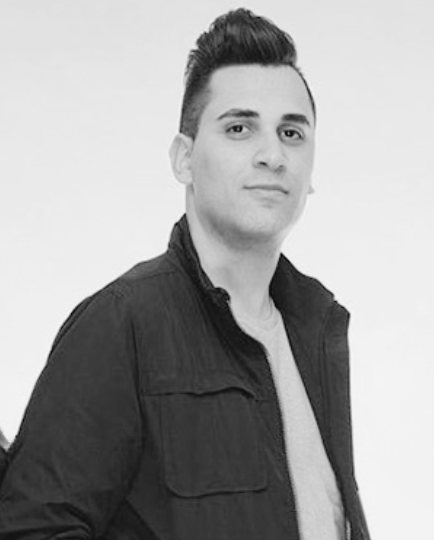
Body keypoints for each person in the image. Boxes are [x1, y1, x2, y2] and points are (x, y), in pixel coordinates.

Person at [0, 8, 370, 540]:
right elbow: (31, 528)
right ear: (183, 159)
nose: (272, 155)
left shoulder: (315, 330)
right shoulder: (122, 325)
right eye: (239, 128)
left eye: (292, 133)